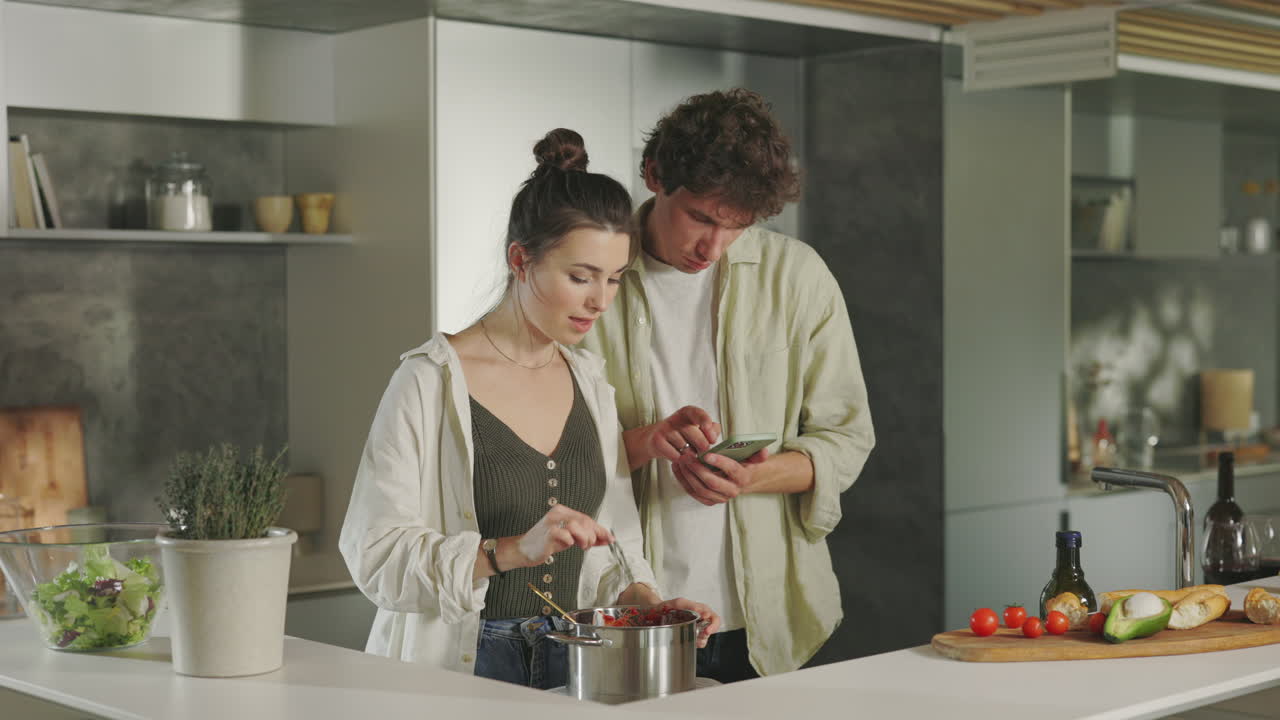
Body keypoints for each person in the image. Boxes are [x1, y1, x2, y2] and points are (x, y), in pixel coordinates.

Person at [340, 129, 720, 690]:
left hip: (578, 659)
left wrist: (646, 606)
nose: (599, 300)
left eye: (613, 279)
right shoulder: (428, 382)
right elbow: (374, 555)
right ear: (521, 260)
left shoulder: (590, 382)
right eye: (580, 276)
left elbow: (617, 538)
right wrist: (512, 551)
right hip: (469, 664)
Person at [581, 89, 875, 682]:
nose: (713, 248)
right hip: (629, 612)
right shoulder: (588, 276)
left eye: (737, 227)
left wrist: (751, 476)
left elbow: (847, 438)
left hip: (770, 617)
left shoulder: (798, 276)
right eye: (702, 218)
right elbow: (546, 455)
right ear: (654, 175)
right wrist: (644, 442)